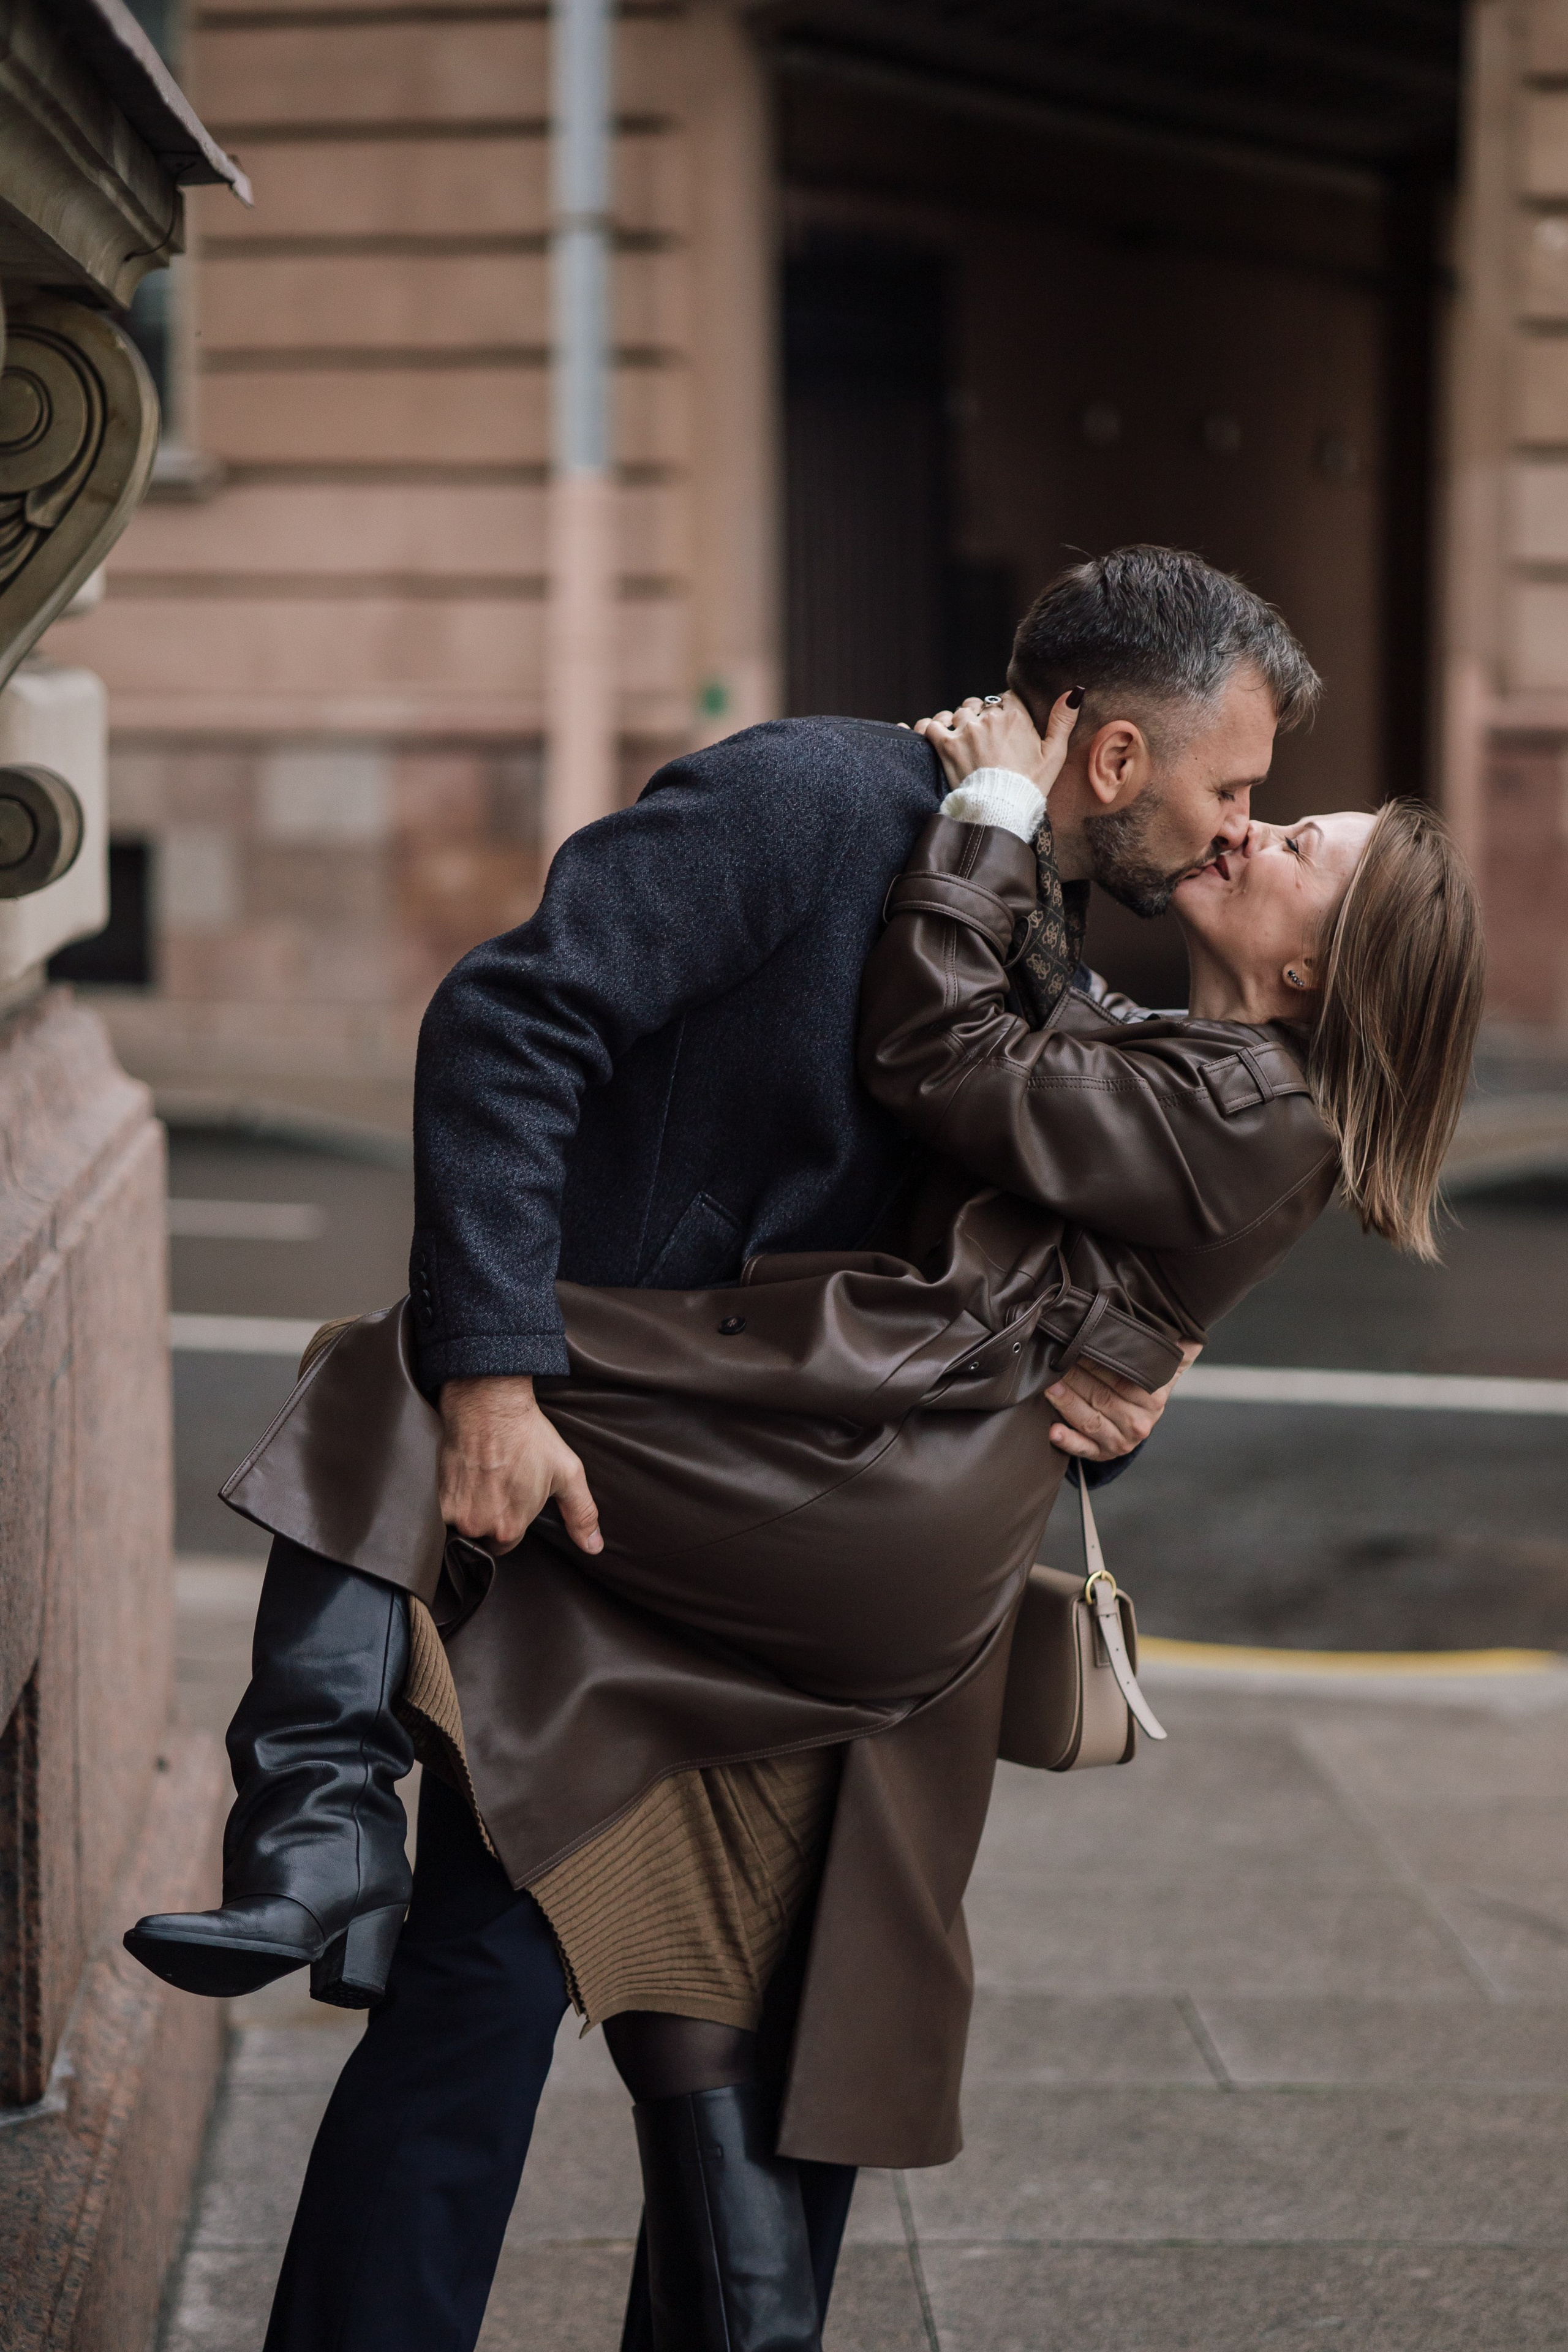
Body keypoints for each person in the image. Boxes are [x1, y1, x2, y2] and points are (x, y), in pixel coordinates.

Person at [129, 550, 1357, 2349]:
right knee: (473, 2013)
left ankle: (308, 1818)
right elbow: (509, 1020)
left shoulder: (1051, 926)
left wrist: (1125, 1380)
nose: (1242, 827)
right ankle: (315, 1837)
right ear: (1112, 761)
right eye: (1232, 788)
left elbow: (1019, 1288)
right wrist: (492, 1378)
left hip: (817, 1610)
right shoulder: (811, 796)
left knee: (780, 2107)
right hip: (615, 1538)